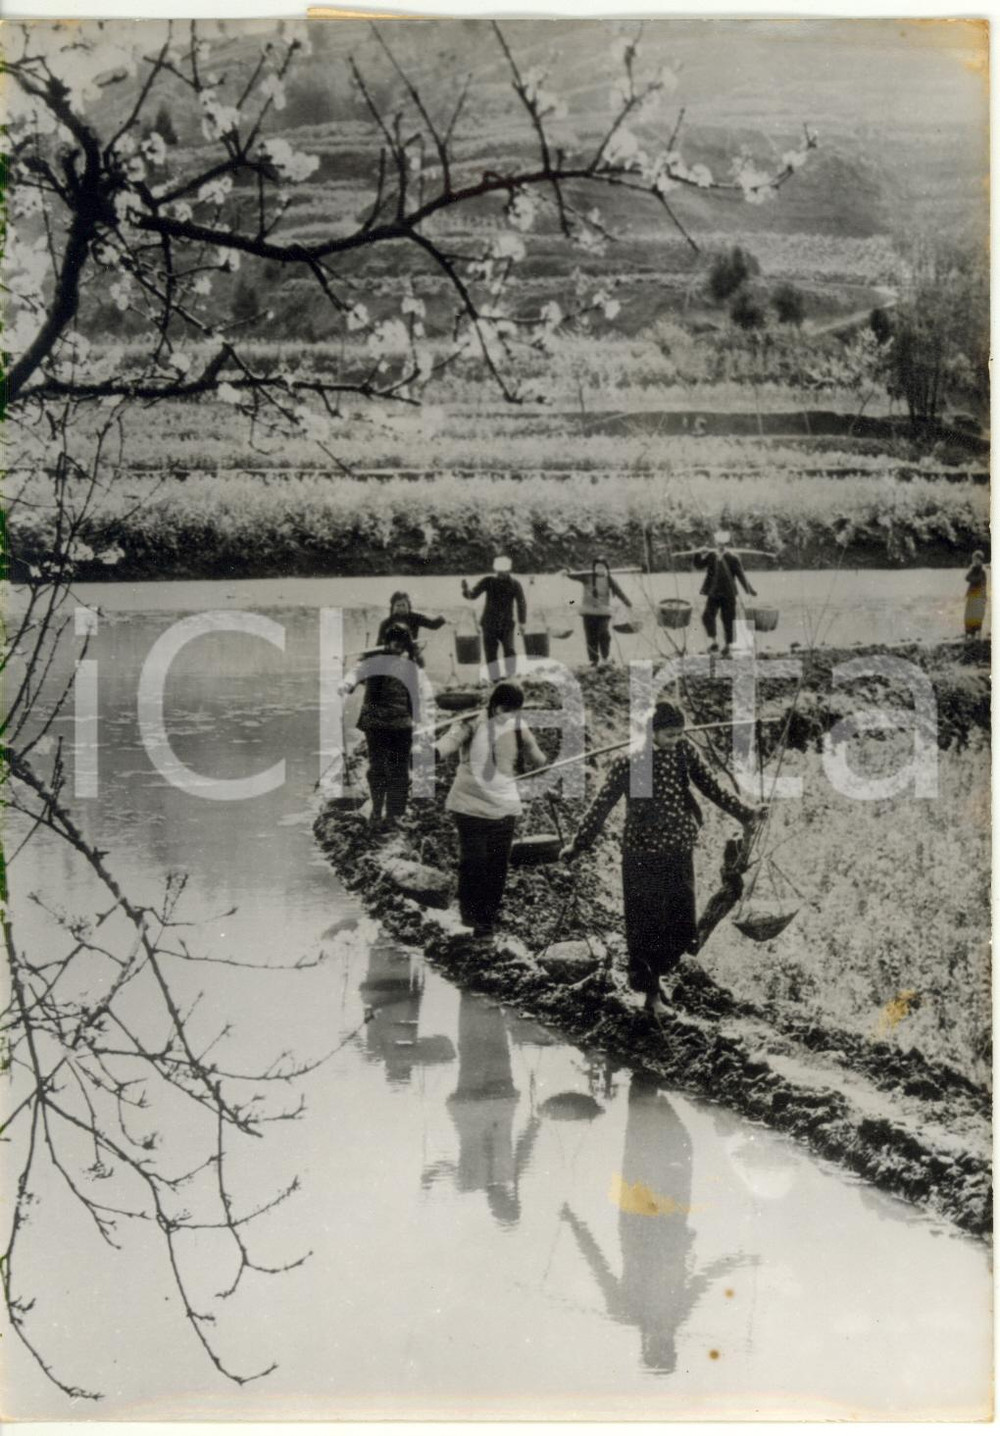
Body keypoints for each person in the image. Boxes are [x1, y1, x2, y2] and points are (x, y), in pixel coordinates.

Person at [560, 700, 763, 1016]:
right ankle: (651, 996)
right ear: (652, 733)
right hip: (642, 857)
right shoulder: (630, 763)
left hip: (678, 852)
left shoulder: (685, 753)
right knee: (647, 925)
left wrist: (746, 813)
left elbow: (712, 787)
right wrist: (578, 845)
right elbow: (602, 805)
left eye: (680, 734)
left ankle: (657, 980)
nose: (676, 740)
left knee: (680, 924)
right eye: (669, 735)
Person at [435, 680, 546, 939]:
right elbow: (449, 742)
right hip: (470, 804)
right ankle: (469, 914)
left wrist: (541, 763)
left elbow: (536, 756)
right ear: (497, 708)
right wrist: (430, 754)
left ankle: (486, 922)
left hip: (504, 807)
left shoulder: (518, 727)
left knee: (497, 866)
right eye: (508, 711)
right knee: (473, 862)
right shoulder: (472, 722)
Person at [346, 623, 418, 830]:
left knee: (399, 771)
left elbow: (413, 697)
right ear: (386, 643)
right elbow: (355, 675)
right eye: (394, 642)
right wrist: (347, 684)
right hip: (377, 725)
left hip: (401, 725)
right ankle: (377, 811)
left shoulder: (409, 666)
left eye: (402, 643)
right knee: (378, 768)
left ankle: (395, 815)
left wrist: (416, 719)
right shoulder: (374, 663)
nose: (397, 647)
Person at [692, 530, 756, 656]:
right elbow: (698, 565)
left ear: (726, 543)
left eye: (722, 543)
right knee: (707, 617)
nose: (720, 545)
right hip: (713, 593)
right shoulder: (711, 556)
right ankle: (714, 642)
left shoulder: (733, 558)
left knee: (728, 619)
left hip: (728, 594)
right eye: (718, 543)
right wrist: (697, 553)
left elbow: (740, 576)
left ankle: (728, 645)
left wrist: (750, 590)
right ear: (716, 543)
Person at [461, 556, 527, 678]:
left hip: (506, 624)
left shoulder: (515, 584)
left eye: (503, 572)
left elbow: (521, 603)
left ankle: (510, 677)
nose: (500, 574)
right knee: (490, 654)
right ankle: (494, 679)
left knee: (510, 650)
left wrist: (522, 622)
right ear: (495, 570)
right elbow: (473, 595)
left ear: (508, 571)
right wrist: (465, 590)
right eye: (498, 572)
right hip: (489, 623)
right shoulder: (488, 581)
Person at [563, 557, 633, 666]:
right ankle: (593, 660)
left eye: (602, 567)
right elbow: (573, 575)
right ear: (594, 568)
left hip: (603, 612)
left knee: (603, 634)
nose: (599, 569)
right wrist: (567, 571)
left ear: (606, 568)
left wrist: (628, 603)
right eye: (597, 567)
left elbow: (619, 592)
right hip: (588, 612)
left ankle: (605, 657)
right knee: (591, 637)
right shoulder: (587, 577)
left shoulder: (609, 579)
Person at [376, 590, 446, 666]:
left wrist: (442, 619)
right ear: (393, 607)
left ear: (408, 606)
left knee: (419, 662)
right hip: (392, 652)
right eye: (398, 605)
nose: (401, 608)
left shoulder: (415, 617)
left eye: (403, 605)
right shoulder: (386, 623)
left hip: (412, 650)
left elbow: (433, 625)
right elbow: (379, 644)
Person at [964, 551, 988, 639]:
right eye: (974, 560)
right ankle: (969, 632)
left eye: (977, 560)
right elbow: (967, 578)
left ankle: (977, 632)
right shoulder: (973, 569)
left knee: (977, 615)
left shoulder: (982, 571)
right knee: (969, 614)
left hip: (979, 596)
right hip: (972, 595)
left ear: (981, 560)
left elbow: (977, 580)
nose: (975, 561)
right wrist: (971, 570)